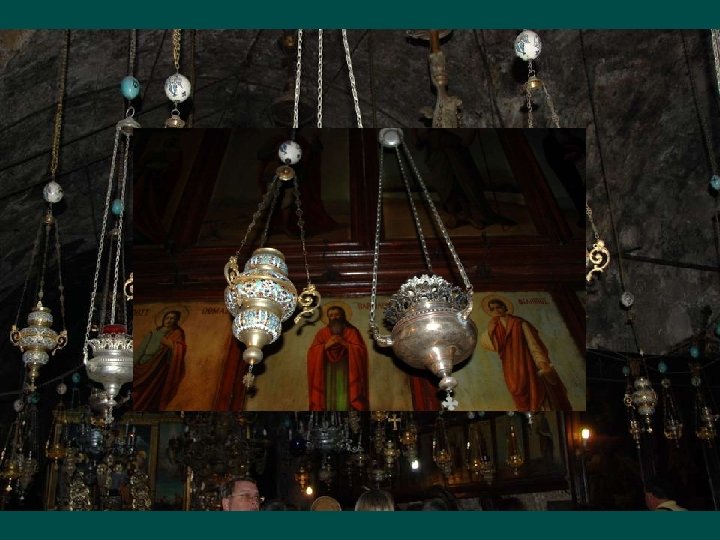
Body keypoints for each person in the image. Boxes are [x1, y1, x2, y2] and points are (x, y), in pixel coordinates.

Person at [481, 297, 572, 411]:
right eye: (493, 309)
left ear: (505, 307)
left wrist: (541, 362)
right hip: (511, 367)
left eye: (498, 307)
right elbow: (492, 345)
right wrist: (491, 330)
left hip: (527, 363)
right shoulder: (493, 327)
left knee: (538, 393)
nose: (496, 311)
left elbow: (533, 343)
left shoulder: (519, 323)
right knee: (516, 389)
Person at [307, 304, 369, 411]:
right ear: (328, 318)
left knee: (344, 393)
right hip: (327, 371)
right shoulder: (322, 333)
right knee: (329, 394)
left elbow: (361, 351)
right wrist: (326, 345)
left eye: (337, 315)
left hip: (347, 370)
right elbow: (312, 353)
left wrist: (345, 344)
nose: (334, 318)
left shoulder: (352, 332)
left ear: (343, 316)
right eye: (331, 315)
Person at [133, 310, 187, 411]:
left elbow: (180, 348)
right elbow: (141, 350)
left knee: (153, 393)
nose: (169, 320)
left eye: (172, 318)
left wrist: (169, 343)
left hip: (160, 369)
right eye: (167, 318)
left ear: (176, 321)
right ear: (163, 319)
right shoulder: (153, 333)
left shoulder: (177, 333)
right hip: (144, 364)